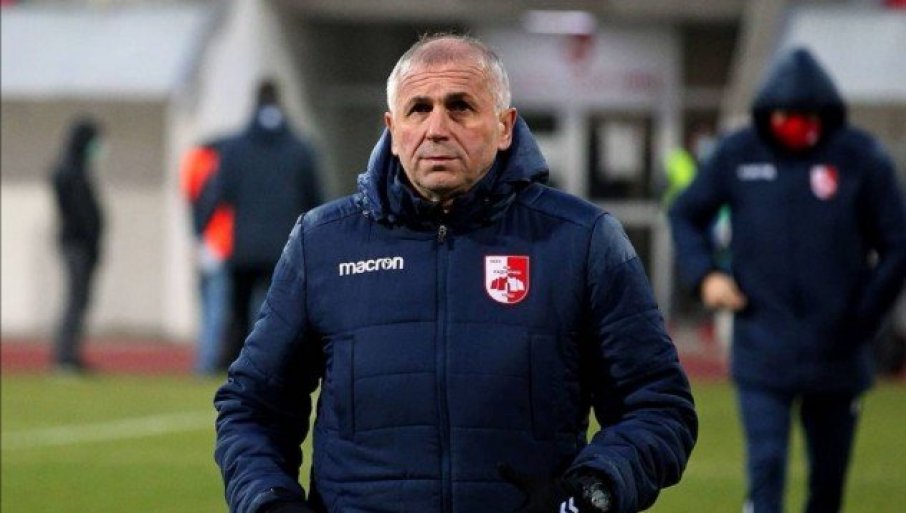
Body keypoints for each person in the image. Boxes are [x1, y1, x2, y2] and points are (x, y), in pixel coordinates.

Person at [214, 34, 697, 513]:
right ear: (392, 129)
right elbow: (252, 408)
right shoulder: (322, 243)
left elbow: (657, 406)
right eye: (418, 109)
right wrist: (270, 502)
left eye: (461, 107)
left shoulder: (582, 241)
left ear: (505, 126)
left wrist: (593, 491)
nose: (437, 129)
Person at [669, 47, 906, 513]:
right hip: (762, 344)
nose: (792, 125)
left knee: (828, 485)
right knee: (767, 467)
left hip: (838, 350)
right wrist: (706, 276)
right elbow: (684, 213)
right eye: (782, 115)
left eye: (802, 116)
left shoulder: (860, 158)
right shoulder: (739, 153)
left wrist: (862, 317)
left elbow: (898, 243)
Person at [206, 79, 324, 371]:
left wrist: (201, 233)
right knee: (284, 313)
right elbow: (315, 199)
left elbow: (220, 194)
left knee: (238, 313)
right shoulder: (301, 148)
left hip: (244, 247)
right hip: (287, 248)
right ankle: (282, 365)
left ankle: (235, 367)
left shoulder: (234, 148)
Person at [50, 116, 105, 373]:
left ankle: (71, 354)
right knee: (74, 301)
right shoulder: (69, 170)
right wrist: (89, 238)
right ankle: (65, 357)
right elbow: (79, 213)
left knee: (80, 301)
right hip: (77, 245)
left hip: (82, 245)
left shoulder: (78, 168)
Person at [180, 138, 233, 375]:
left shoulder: (193, 165)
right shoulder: (216, 166)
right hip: (221, 242)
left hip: (206, 244)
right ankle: (209, 361)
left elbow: (194, 204)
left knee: (207, 304)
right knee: (217, 306)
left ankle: (206, 359)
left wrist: (197, 238)